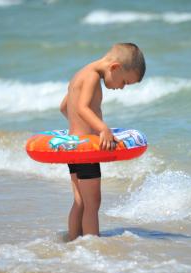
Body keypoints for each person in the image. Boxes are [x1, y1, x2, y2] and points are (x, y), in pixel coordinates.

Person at [59, 43, 146, 241]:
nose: (122, 88)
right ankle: (92, 245)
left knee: (80, 201)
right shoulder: (91, 77)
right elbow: (82, 108)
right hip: (86, 151)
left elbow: (65, 106)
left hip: (73, 147)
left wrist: (77, 127)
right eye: (124, 82)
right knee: (93, 203)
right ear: (114, 67)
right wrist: (102, 129)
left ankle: (73, 240)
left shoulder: (80, 74)